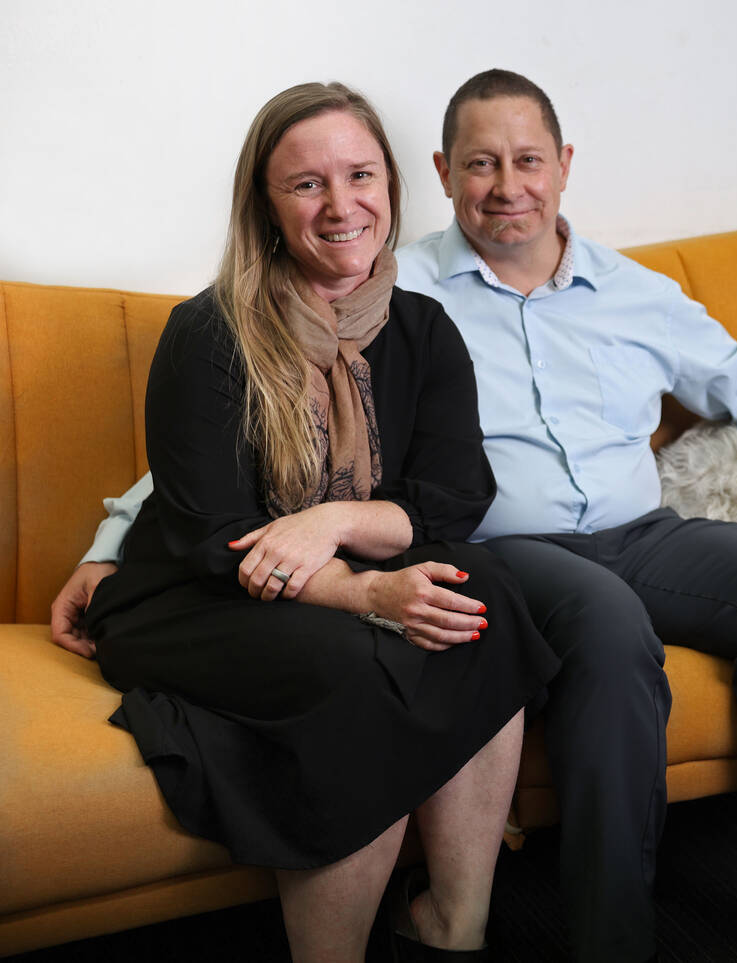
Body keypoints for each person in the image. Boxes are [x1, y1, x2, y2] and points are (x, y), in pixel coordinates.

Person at [55, 71, 737, 963]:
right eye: (479, 163)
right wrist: (111, 546)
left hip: (644, 530)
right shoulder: (399, 287)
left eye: (528, 160)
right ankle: (609, 934)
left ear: (563, 166)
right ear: (441, 176)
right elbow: (227, 442)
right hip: (509, 548)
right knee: (602, 620)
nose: (507, 187)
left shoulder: (629, 292)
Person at [72, 81, 559, 963]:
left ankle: (457, 923)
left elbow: (455, 495)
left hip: (304, 570)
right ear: (264, 205)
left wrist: (335, 520)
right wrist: (367, 590)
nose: (342, 206)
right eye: (306, 184)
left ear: (391, 186)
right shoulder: (209, 332)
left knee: (486, 597)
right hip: (191, 596)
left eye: (361, 175)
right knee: (358, 668)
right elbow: (209, 532)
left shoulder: (423, 329)